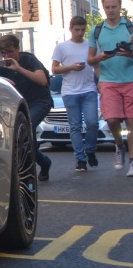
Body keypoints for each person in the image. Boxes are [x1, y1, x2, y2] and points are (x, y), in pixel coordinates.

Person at [0, 33, 52, 181]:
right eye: (3, 53)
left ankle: (28, 172)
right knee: (24, 136)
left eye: (10, 51)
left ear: (17, 49)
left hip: (39, 101)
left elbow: (42, 80)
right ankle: (43, 162)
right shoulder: (3, 65)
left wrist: (19, 69)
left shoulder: (28, 59)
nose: (7, 56)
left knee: (27, 127)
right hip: (19, 105)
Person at [88, 0, 133, 174]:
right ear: (103, 8)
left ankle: (132, 161)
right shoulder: (96, 30)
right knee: (112, 119)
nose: (111, 10)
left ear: (120, 7)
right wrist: (101, 56)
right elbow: (90, 60)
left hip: (130, 80)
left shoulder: (130, 27)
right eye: (107, 7)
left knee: (131, 122)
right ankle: (119, 146)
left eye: (114, 7)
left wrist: (129, 54)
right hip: (107, 81)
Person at [52, 16, 100, 172]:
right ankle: (80, 159)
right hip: (70, 91)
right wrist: (70, 67)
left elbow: (97, 64)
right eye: (76, 30)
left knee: (93, 123)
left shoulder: (90, 46)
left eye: (82, 29)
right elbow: (54, 69)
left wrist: (101, 83)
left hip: (89, 89)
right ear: (70, 29)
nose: (80, 33)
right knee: (75, 127)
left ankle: (90, 150)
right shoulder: (62, 47)